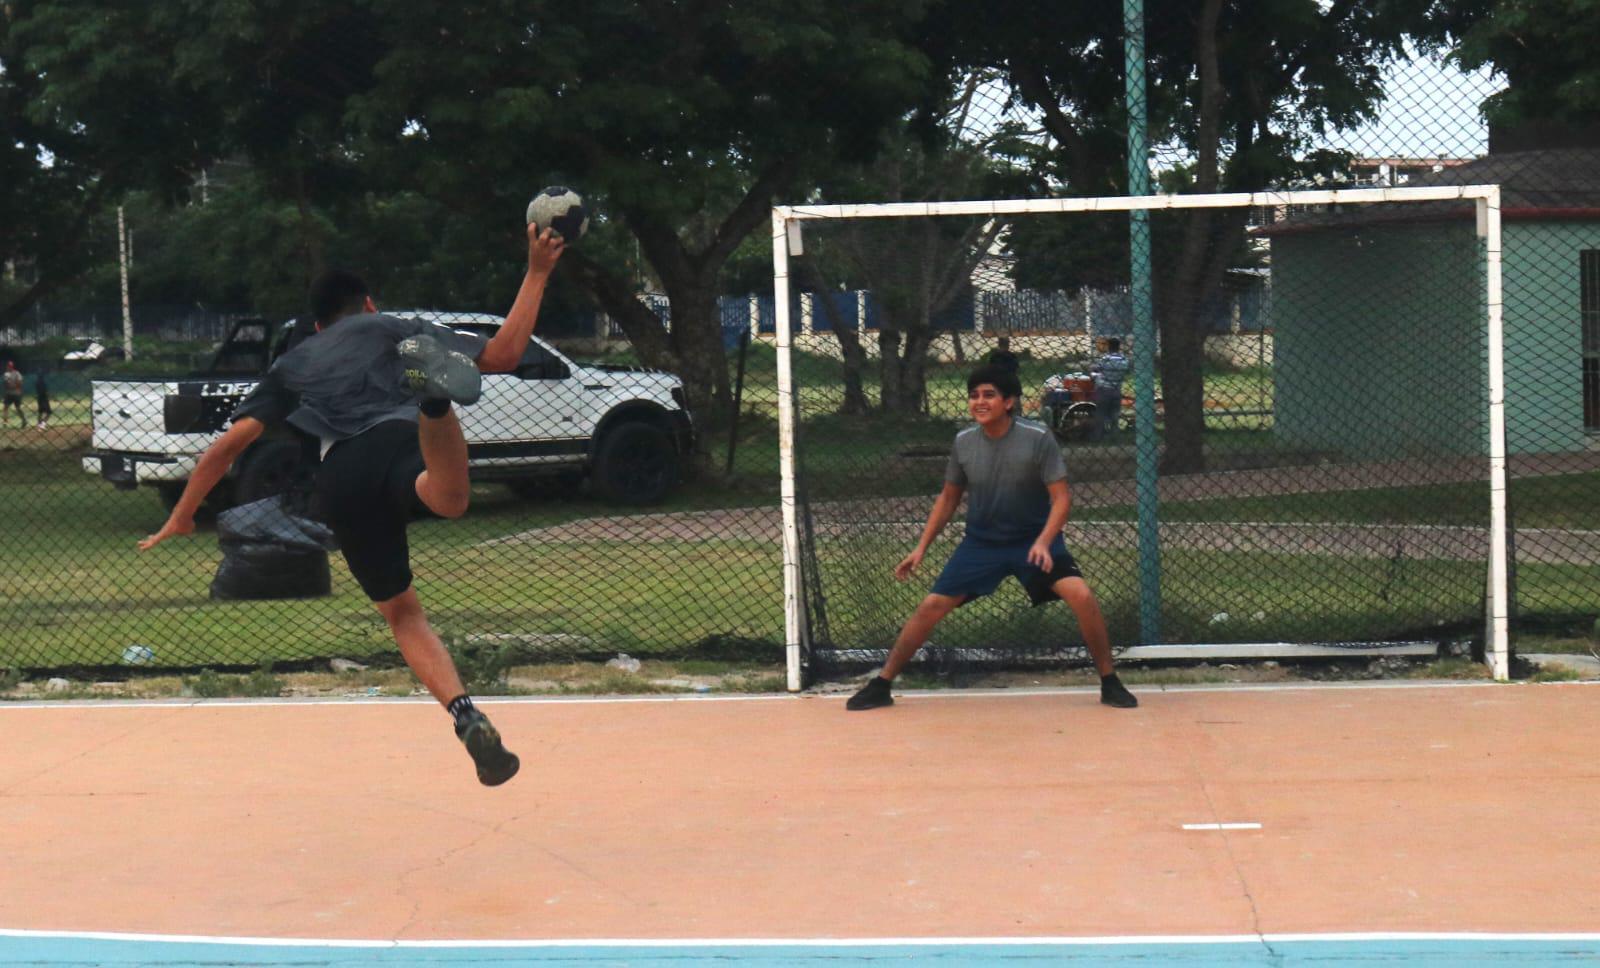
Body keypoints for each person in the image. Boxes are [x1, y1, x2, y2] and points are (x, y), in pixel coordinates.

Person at [139, 224, 567, 786]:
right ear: (367, 304)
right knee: (449, 499)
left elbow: (227, 447)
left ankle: (465, 716)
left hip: (339, 479)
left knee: (403, 613)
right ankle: (434, 404)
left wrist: (182, 513)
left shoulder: (291, 364)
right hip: (396, 443)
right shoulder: (388, 326)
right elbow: (507, 353)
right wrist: (537, 271)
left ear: (316, 325)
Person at [846, 364, 1138, 711]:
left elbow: (1062, 499)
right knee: (930, 606)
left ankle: (1109, 681)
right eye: (973, 396)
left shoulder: (1038, 438)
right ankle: (882, 684)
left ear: (1009, 402)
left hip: (1033, 542)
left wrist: (1044, 541)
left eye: (988, 395)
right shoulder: (964, 442)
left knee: (1081, 595)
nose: (979, 402)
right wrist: (920, 548)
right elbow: (949, 498)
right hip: (981, 544)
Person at [1089, 337, 1129, 440]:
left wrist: (1093, 374)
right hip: (1117, 388)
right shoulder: (1124, 359)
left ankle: (1098, 435)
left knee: (1101, 412)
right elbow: (1126, 371)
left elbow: (1096, 369)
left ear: (1109, 347)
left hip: (1104, 389)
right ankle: (1114, 435)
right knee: (1115, 413)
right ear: (1119, 347)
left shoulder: (1105, 359)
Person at [2, 361, 24, 428]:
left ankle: (23, 420)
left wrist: (13, 385)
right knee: (7, 407)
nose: (8, 367)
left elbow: (8, 384)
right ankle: (5, 422)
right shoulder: (16, 373)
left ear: (10, 366)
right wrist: (15, 385)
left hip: (12, 393)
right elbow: (18, 383)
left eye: (9, 366)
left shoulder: (8, 374)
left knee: (14, 408)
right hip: (14, 393)